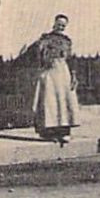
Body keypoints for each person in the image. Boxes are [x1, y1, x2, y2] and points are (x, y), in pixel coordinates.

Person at [32, 14, 80, 144]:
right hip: (50, 72)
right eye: (59, 24)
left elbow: (71, 59)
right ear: (54, 23)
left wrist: (74, 76)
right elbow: (39, 56)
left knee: (64, 101)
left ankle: (64, 132)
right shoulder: (45, 38)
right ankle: (48, 132)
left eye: (64, 25)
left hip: (63, 72)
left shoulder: (67, 41)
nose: (61, 27)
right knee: (50, 102)